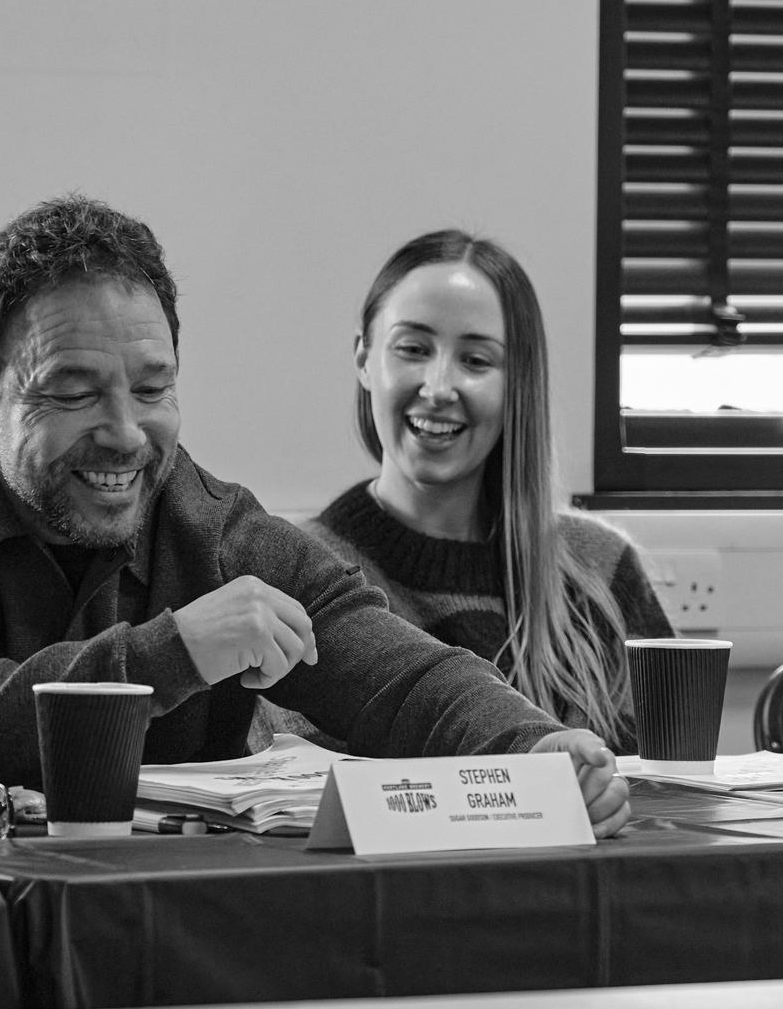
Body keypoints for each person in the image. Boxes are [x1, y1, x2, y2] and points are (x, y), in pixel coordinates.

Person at [0, 197, 629, 837]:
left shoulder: (210, 525)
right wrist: (170, 654)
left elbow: (395, 673)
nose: (123, 433)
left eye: (152, 389)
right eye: (72, 392)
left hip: (149, 942)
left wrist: (531, 749)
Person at [254, 230, 671, 757]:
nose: (438, 387)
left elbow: (670, 787)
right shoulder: (303, 577)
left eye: (475, 360)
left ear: (518, 381)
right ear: (364, 358)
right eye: (413, 349)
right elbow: (310, 791)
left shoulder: (601, 570)